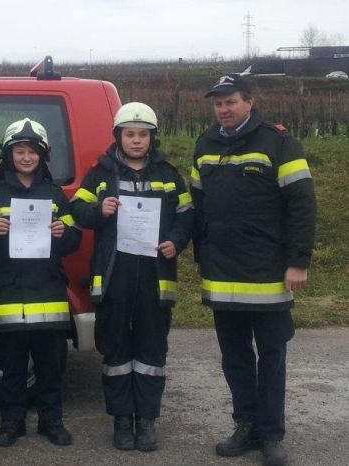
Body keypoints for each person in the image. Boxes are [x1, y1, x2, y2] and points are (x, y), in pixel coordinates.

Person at [191, 75, 316, 466]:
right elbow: (198, 207)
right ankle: (244, 425)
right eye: (217, 104)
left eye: (230, 102)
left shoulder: (279, 142)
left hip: (268, 274)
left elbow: (302, 205)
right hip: (222, 273)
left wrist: (298, 261)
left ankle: (271, 436)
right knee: (235, 357)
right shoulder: (205, 143)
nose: (223, 110)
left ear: (249, 102)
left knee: (272, 355)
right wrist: (201, 256)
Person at [71, 102, 193, 452]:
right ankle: (122, 421)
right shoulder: (101, 173)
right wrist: (99, 209)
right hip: (114, 278)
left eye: (143, 135)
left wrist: (176, 241)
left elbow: (186, 215)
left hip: (155, 279)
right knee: (116, 353)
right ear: (118, 136)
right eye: (130, 134)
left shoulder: (169, 174)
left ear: (152, 137)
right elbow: (77, 210)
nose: (136, 141)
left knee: (152, 352)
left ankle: (147, 422)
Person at [0, 118, 82, 448]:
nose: (26, 157)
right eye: (20, 151)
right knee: (13, 366)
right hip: (10, 293)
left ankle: (52, 422)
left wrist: (65, 233)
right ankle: (11, 423)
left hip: (47, 292)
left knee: (49, 367)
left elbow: (74, 238)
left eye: (33, 152)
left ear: (42, 156)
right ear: (9, 155)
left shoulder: (55, 195)